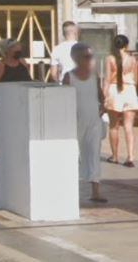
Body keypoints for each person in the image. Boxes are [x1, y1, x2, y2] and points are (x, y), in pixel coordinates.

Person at [64, 43, 107, 203]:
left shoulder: (94, 75)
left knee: (94, 153)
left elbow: (100, 94)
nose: (90, 59)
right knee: (74, 154)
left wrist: (103, 105)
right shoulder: (69, 76)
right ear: (76, 58)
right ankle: (70, 189)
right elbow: (65, 99)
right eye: (86, 56)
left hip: (93, 120)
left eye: (90, 56)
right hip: (75, 120)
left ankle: (96, 191)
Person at [104, 34, 137, 167]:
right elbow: (136, 78)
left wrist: (103, 95)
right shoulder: (133, 59)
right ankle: (130, 157)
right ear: (126, 45)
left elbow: (106, 79)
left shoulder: (110, 58)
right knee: (128, 126)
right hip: (129, 90)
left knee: (114, 125)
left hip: (114, 90)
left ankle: (115, 156)